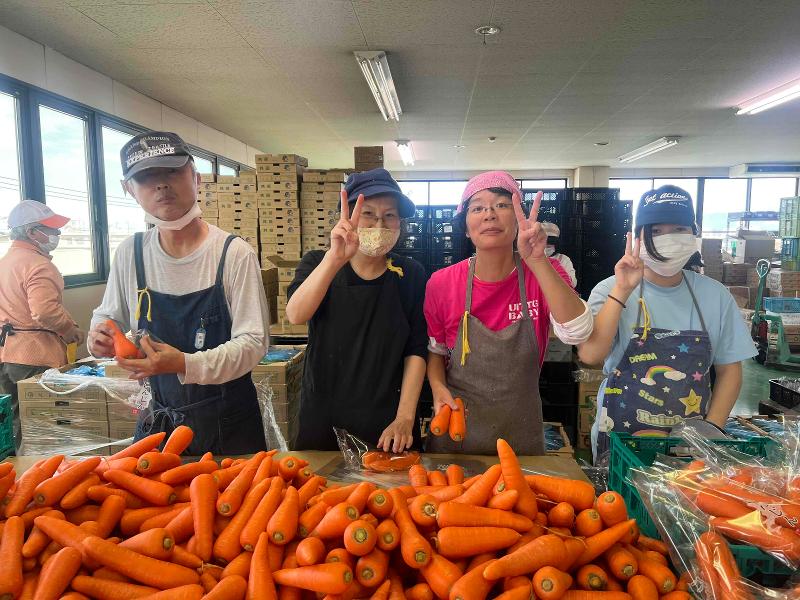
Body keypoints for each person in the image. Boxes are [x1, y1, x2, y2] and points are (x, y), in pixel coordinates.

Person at [88, 131, 270, 455]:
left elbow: (253, 343)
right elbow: (107, 315)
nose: (161, 184)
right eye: (146, 177)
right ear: (129, 189)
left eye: (172, 171)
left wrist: (184, 363)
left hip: (228, 425)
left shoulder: (233, 254)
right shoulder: (130, 254)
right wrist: (98, 334)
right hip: (157, 423)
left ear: (196, 177)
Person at [578, 185, 756, 463]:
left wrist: (710, 433)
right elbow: (590, 355)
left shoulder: (715, 295)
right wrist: (623, 290)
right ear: (637, 237)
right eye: (656, 231)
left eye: (679, 230)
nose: (667, 239)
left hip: (690, 442)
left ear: (693, 234)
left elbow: (729, 371)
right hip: (620, 438)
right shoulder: (609, 289)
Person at [423, 171, 593, 455]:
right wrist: (438, 387)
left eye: (502, 205)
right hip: (456, 427)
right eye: (477, 207)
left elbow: (577, 330)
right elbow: (436, 351)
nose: (489, 214)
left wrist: (537, 261)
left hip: (521, 432)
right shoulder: (442, 283)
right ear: (465, 227)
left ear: (519, 219)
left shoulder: (546, 272)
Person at [286, 169, 427, 452]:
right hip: (324, 419)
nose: (379, 223)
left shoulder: (409, 273)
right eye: (368, 214)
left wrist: (404, 417)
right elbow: (296, 314)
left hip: (388, 423)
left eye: (389, 215)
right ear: (347, 217)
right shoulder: (317, 262)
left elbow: (417, 349)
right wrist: (334, 259)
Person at [0, 200, 84, 451]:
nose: (56, 234)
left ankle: (14, 472)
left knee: (16, 417)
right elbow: (45, 312)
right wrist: (71, 331)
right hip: (34, 355)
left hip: (7, 352)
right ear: (31, 232)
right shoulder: (38, 265)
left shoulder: (5, 263)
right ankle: (36, 474)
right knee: (40, 420)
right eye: (50, 229)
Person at [542, 221, 577, 287]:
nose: (546, 246)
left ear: (556, 244)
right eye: (543, 242)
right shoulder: (532, 259)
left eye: (550, 243)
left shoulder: (563, 259)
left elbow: (573, 283)